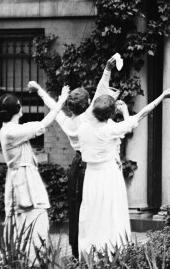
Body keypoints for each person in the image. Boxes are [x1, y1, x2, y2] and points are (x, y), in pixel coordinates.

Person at [31, 54, 120, 258]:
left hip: (76, 166)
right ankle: (98, 251)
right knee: (95, 208)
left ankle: (77, 252)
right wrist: (107, 69)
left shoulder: (66, 121)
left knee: (76, 208)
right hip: (91, 166)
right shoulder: (89, 116)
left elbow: (52, 105)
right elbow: (101, 90)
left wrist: (38, 90)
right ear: (88, 104)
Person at [78, 86, 170, 257]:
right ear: (110, 114)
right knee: (113, 213)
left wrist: (110, 98)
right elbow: (142, 114)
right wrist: (162, 96)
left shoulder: (83, 126)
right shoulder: (111, 129)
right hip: (109, 175)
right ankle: (112, 253)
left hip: (91, 176)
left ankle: (91, 255)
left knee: (93, 214)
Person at [0, 85, 69, 259]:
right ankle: (30, 259)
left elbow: (38, 125)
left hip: (25, 179)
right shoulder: (11, 132)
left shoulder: (12, 129)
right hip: (22, 182)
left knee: (33, 218)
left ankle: (33, 257)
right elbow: (44, 123)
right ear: (17, 109)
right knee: (30, 219)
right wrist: (61, 100)